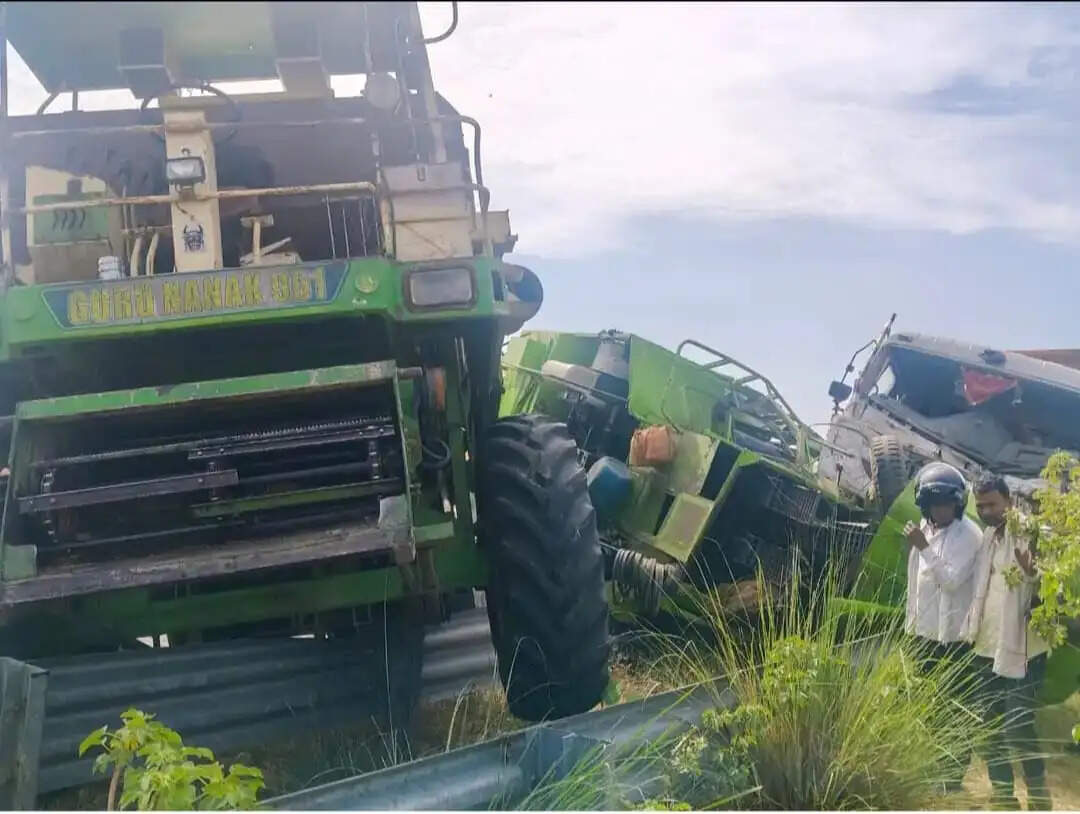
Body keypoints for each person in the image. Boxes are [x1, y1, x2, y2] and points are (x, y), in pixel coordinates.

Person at [961, 473, 1050, 809]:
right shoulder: (988, 537)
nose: (985, 511)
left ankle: (1040, 798)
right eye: (980, 505)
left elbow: (1054, 587)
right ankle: (1003, 797)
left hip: (1025, 648)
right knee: (989, 727)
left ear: (1009, 500)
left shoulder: (1033, 532)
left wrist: (1034, 572)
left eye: (991, 504)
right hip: (986, 646)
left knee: (1018, 726)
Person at [903, 462, 983, 663]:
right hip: (922, 628)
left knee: (948, 690)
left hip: (950, 637)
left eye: (947, 505)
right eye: (935, 505)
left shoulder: (968, 534)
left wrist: (923, 547)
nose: (941, 511)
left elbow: (950, 582)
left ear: (958, 504)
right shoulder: (926, 526)